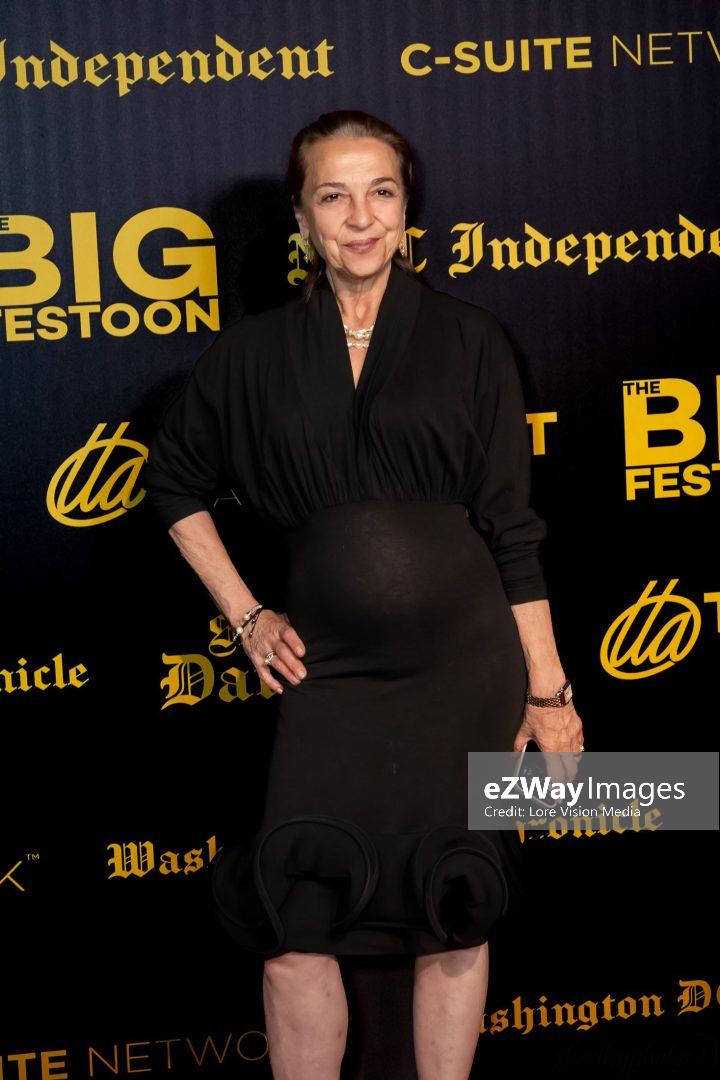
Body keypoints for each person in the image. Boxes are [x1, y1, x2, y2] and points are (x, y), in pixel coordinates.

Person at [143, 109, 584, 1080]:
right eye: (333, 196)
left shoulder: (471, 340)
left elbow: (512, 528)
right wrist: (246, 614)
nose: (360, 217)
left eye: (381, 192)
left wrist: (549, 693)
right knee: (296, 932)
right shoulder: (252, 356)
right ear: (301, 218)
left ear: (406, 207)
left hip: (464, 673)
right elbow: (171, 482)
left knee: (453, 915)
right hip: (331, 680)